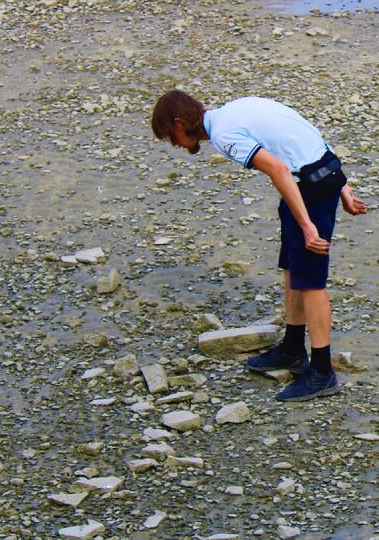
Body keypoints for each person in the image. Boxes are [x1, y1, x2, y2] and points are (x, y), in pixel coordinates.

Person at [151, 90, 367, 402]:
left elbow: (278, 168)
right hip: (312, 179)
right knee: (292, 268)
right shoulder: (236, 108)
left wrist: (308, 224)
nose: (174, 144)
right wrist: (342, 185)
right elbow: (304, 133)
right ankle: (293, 350)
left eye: (171, 136)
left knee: (311, 281)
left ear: (180, 123)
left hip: (309, 188)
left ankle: (322, 372)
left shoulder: (224, 134)